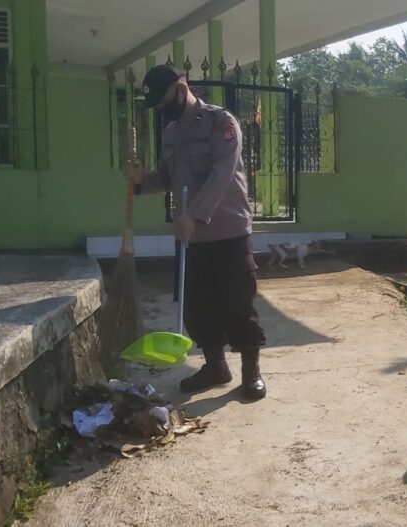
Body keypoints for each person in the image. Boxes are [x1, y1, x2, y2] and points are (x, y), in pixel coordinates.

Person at [126, 65, 267, 400]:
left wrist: (194, 214)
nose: (161, 110)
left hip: (228, 230)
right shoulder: (172, 132)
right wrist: (141, 183)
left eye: (162, 101)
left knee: (237, 302)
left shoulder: (222, 123)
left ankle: (251, 372)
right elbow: (167, 174)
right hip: (192, 236)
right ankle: (215, 366)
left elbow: (222, 173)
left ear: (181, 87)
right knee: (198, 307)